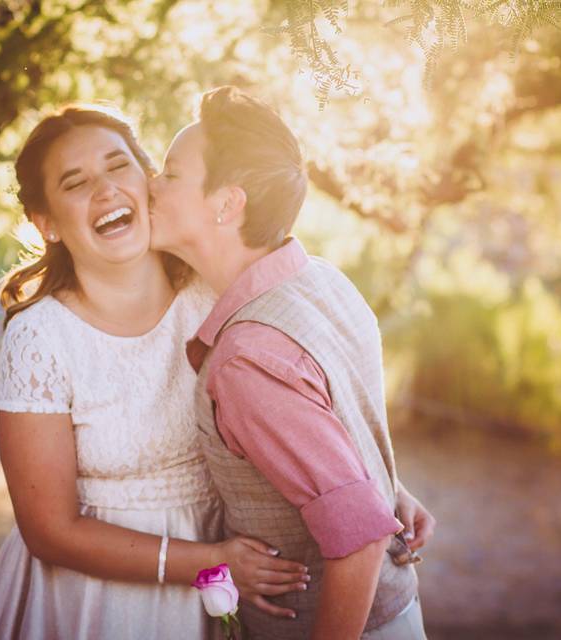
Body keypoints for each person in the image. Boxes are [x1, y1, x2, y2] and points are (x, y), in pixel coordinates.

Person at [0, 105, 311, 640]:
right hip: (91, 600)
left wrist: (377, 480)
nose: (104, 191)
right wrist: (211, 563)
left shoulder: (212, 289)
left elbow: (305, 396)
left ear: (148, 181)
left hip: (231, 578)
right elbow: (48, 531)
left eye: (117, 166)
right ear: (46, 223)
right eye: (75, 182)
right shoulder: (39, 338)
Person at [149, 86, 433, 639]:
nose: (150, 185)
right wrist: (386, 485)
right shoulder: (321, 278)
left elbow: (359, 538)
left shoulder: (246, 359)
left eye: (170, 173)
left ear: (227, 204)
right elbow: (342, 423)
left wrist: (373, 499)